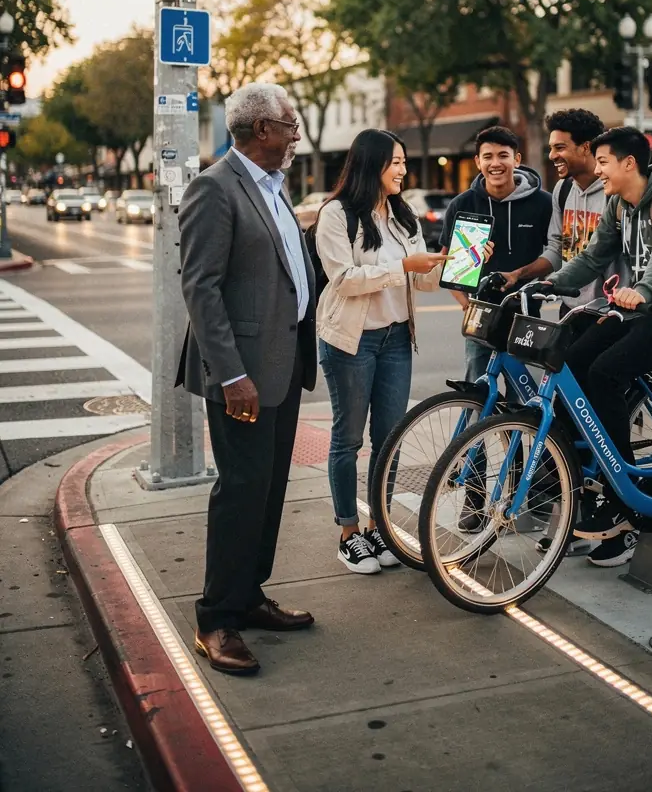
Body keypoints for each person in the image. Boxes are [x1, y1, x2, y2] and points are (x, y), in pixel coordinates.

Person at [177, 83, 317, 676]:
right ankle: (216, 618)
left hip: (282, 368)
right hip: (245, 375)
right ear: (261, 130)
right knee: (240, 492)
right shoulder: (215, 187)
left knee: (268, 489)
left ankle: (249, 595)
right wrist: (231, 374)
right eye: (289, 124)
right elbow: (201, 288)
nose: (295, 134)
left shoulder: (275, 188)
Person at [544, 126, 652, 568]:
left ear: (628, 163)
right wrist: (551, 283)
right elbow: (594, 257)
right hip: (638, 311)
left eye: (603, 162)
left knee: (605, 372)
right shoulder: (619, 204)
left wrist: (645, 291)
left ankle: (623, 491)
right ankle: (591, 476)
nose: (598, 171)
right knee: (573, 362)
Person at [316, 129, 446, 574]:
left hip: (395, 340)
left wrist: (458, 262)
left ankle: (380, 528)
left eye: (405, 163)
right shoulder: (336, 214)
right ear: (372, 164)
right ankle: (349, 534)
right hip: (352, 341)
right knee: (348, 440)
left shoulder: (402, 214)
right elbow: (345, 279)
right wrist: (402, 267)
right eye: (396, 163)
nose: (403, 171)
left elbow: (421, 280)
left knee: (388, 441)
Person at [440, 126, 553, 384]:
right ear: (478, 162)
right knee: (476, 394)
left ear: (517, 159)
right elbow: (446, 264)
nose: (495, 163)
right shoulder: (462, 204)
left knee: (523, 398)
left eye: (503, 155)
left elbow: (554, 255)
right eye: (488, 156)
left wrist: (521, 276)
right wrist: (468, 305)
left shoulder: (543, 204)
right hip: (480, 317)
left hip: (526, 314)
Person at [500, 108, 608, 310]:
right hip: (569, 307)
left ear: (586, 147)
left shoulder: (613, 193)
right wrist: (518, 274)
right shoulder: (563, 189)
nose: (552, 156)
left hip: (606, 310)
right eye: (551, 148)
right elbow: (557, 249)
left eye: (559, 147)